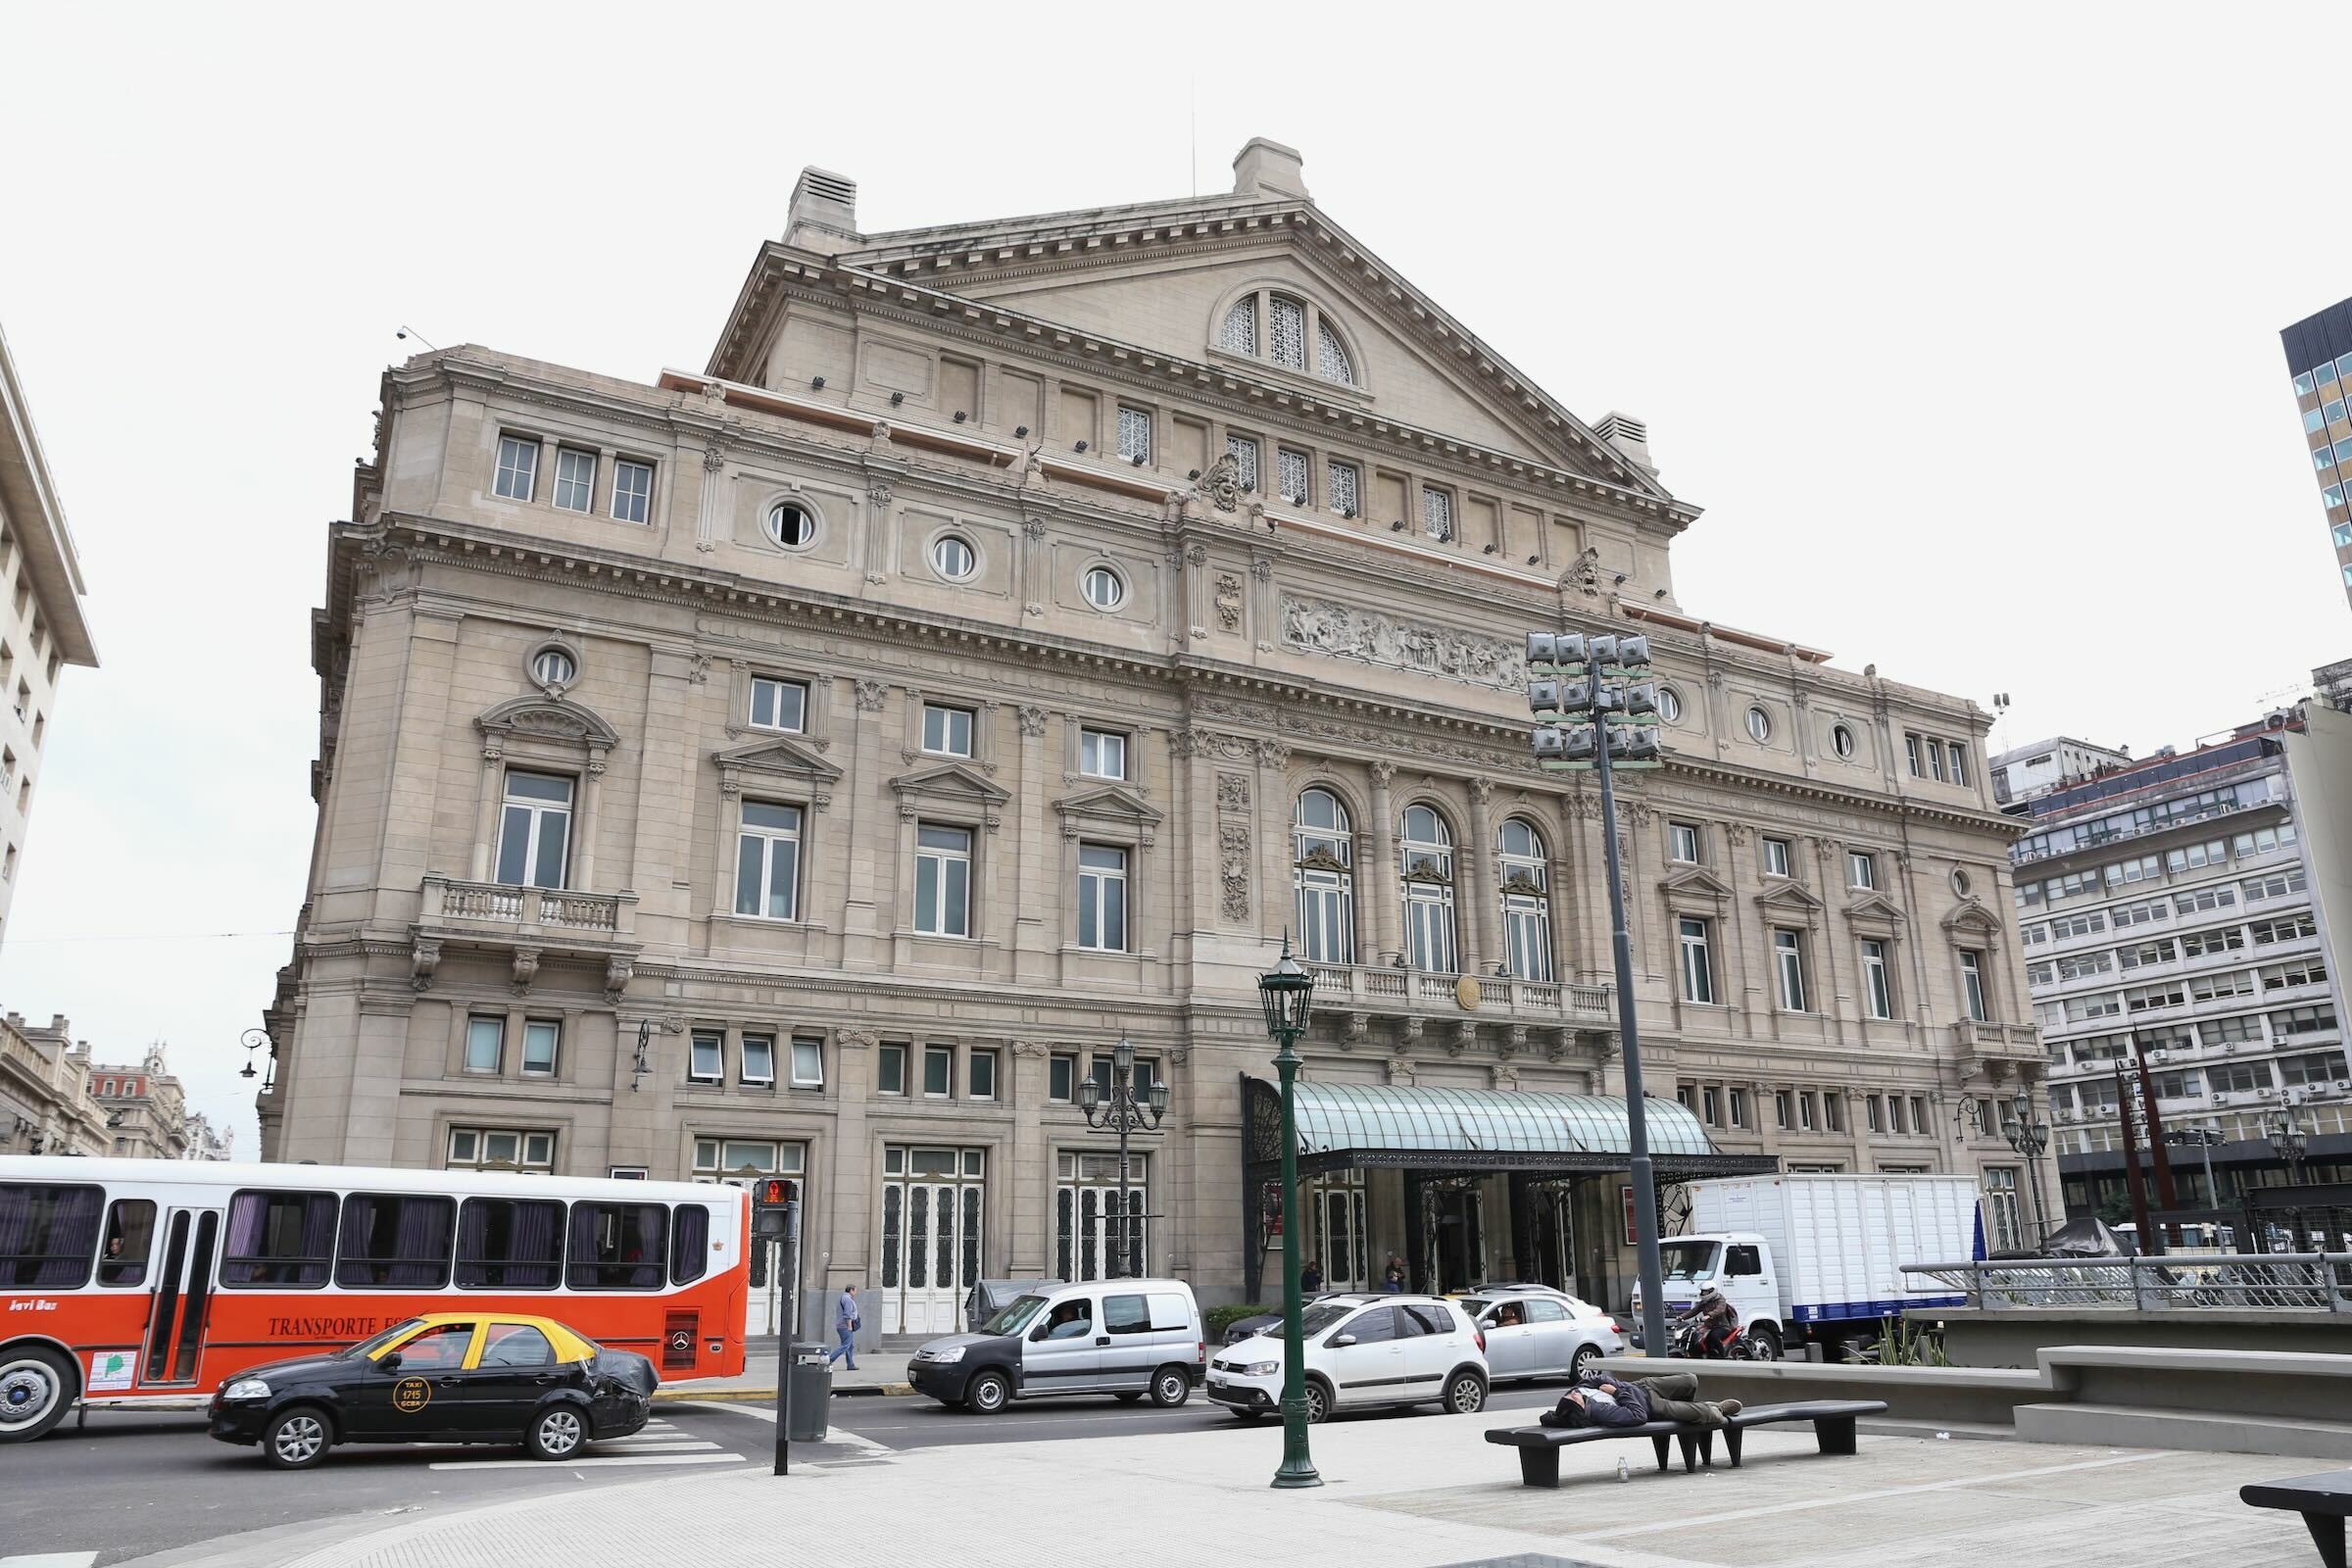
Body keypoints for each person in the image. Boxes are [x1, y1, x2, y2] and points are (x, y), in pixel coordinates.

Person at [1542, 1368, 1741, 1430]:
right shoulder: (1599, 1411)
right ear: (1580, 1407)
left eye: (1571, 1393)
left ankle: (1696, 1407)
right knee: (1709, 1415)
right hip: (1652, 1406)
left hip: (1642, 1385)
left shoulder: (1580, 1390)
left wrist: (1617, 1388)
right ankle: (1717, 1409)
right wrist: (1617, 1393)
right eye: (1574, 1397)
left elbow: (1600, 1378)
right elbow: (1637, 1415)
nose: (1574, 1393)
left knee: (1690, 1380)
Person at [824, 1283, 859, 1370]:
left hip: (842, 1325)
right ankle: (828, 1360)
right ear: (851, 1290)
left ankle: (850, 1364)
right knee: (845, 1346)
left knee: (850, 1346)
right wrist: (849, 1326)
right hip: (845, 1326)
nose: (856, 1292)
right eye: (855, 1290)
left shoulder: (845, 1298)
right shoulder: (847, 1299)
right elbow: (847, 1314)